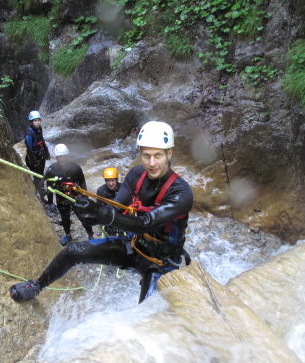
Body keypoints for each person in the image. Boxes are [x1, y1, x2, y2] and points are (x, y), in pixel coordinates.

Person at [10, 121, 193, 304]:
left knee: (146, 312)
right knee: (73, 251)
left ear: (170, 153)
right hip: (135, 246)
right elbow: (115, 206)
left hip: (161, 262)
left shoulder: (180, 193)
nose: (151, 163)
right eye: (146, 155)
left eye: (158, 155)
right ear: (140, 154)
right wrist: (91, 212)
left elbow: (145, 223)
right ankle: (37, 285)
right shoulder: (137, 174)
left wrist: (104, 214)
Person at [44, 143, 95, 245]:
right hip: (61, 198)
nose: (62, 159)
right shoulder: (52, 169)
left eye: (64, 156)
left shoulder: (75, 168)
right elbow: (49, 186)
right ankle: (68, 235)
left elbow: (82, 181)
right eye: (59, 157)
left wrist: (85, 196)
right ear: (57, 157)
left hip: (75, 196)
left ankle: (91, 235)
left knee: (83, 217)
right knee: (65, 218)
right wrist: (50, 202)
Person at [24, 110, 50, 201]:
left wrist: (46, 152)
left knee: (40, 176)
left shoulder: (39, 129)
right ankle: (38, 196)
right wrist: (34, 162)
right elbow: (29, 149)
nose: (38, 122)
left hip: (40, 157)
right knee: (38, 178)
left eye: (39, 120)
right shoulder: (29, 133)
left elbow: (42, 140)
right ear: (31, 122)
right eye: (35, 120)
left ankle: (41, 196)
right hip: (33, 160)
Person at [96, 167, 123, 237]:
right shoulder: (101, 191)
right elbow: (99, 210)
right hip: (109, 216)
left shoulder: (123, 188)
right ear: (105, 181)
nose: (111, 184)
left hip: (122, 215)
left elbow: (128, 206)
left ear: (116, 179)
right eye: (108, 181)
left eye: (113, 180)